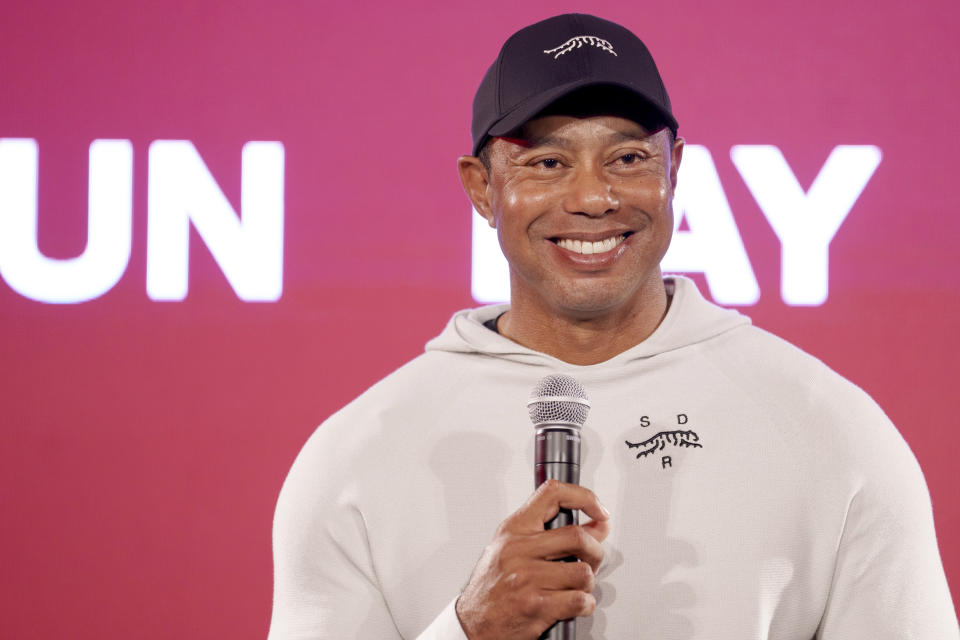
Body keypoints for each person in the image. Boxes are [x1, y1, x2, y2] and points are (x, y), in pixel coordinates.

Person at [268, 13, 959, 639]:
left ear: (675, 169)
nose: (594, 198)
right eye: (547, 162)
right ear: (481, 188)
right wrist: (467, 630)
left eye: (628, 159)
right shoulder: (355, 456)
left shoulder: (830, 429)